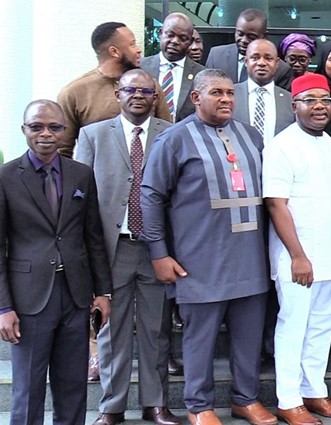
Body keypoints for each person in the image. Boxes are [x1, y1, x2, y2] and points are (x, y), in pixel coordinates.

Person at [140, 68, 276, 425]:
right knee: (200, 338)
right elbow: (151, 196)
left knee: (248, 336)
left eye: (230, 93)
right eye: (217, 92)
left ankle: (245, 399)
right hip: (199, 260)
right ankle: (199, 406)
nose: (226, 99)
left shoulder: (250, 135)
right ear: (196, 98)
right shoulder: (174, 139)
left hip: (250, 257)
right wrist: (159, 253)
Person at [75, 69, 178, 425]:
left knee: (156, 329)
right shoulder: (92, 135)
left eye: (146, 91)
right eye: (131, 89)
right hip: (111, 248)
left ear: (155, 97)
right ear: (118, 93)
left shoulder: (171, 133)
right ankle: (112, 406)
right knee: (110, 330)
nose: (138, 96)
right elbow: (81, 198)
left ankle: (155, 404)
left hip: (156, 248)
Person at [0, 99, 112, 425]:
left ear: (65, 131)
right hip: (29, 298)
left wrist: (103, 291)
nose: (46, 134)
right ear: (24, 130)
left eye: (54, 127)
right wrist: (4, 307)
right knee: (28, 389)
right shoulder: (6, 177)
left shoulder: (81, 174)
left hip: (75, 295)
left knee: (73, 386)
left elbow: (93, 236)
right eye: (37, 127)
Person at [263, 73, 331, 425]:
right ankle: (288, 399)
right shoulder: (282, 145)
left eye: (325, 100)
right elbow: (276, 204)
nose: (319, 107)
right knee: (294, 326)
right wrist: (298, 256)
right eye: (310, 100)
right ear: (294, 105)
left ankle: (313, 390)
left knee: (322, 327)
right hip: (298, 258)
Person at [58, 21, 172, 158]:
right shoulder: (74, 93)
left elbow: (169, 134)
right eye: (132, 44)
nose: (138, 50)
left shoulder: (149, 87)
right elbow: (63, 152)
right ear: (114, 51)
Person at [204, 8, 293, 90]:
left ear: (264, 36)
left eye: (251, 37)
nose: (244, 40)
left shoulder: (280, 69)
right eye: (240, 34)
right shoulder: (216, 56)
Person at [141, 13, 206, 122]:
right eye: (170, 35)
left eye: (182, 38)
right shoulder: (140, 68)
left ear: (190, 42)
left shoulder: (201, 74)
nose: (175, 41)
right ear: (161, 33)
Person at [233, 39, 295, 145]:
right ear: (246, 62)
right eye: (255, 58)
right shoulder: (230, 95)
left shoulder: (290, 100)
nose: (261, 63)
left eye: (268, 58)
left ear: (277, 63)